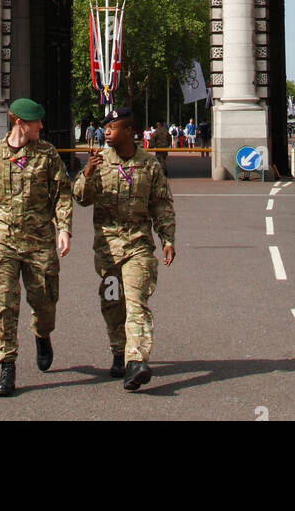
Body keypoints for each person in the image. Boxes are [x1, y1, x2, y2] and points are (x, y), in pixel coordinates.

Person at [73, 105, 176, 391]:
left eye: (112, 127)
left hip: (139, 246)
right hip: (106, 251)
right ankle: (118, 350)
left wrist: (167, 239)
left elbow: (161, 204)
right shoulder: (98, 162)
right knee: (112, 303)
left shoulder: (150, 165)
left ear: (129, 131)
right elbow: (81, 199)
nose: (106, 131)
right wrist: (87, 174)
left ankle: (136, 360)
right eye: (105, 127)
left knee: (136, 302)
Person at [0, 98, 72, 397]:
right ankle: (7, 366)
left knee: (45, 302)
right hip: (4, 240)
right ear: (20, 122)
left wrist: (64, 228)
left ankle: (42, 334)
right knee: (2, 303)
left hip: (39, 239)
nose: (41, 127)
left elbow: (62, 193)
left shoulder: (47, 153)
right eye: (36, 122)